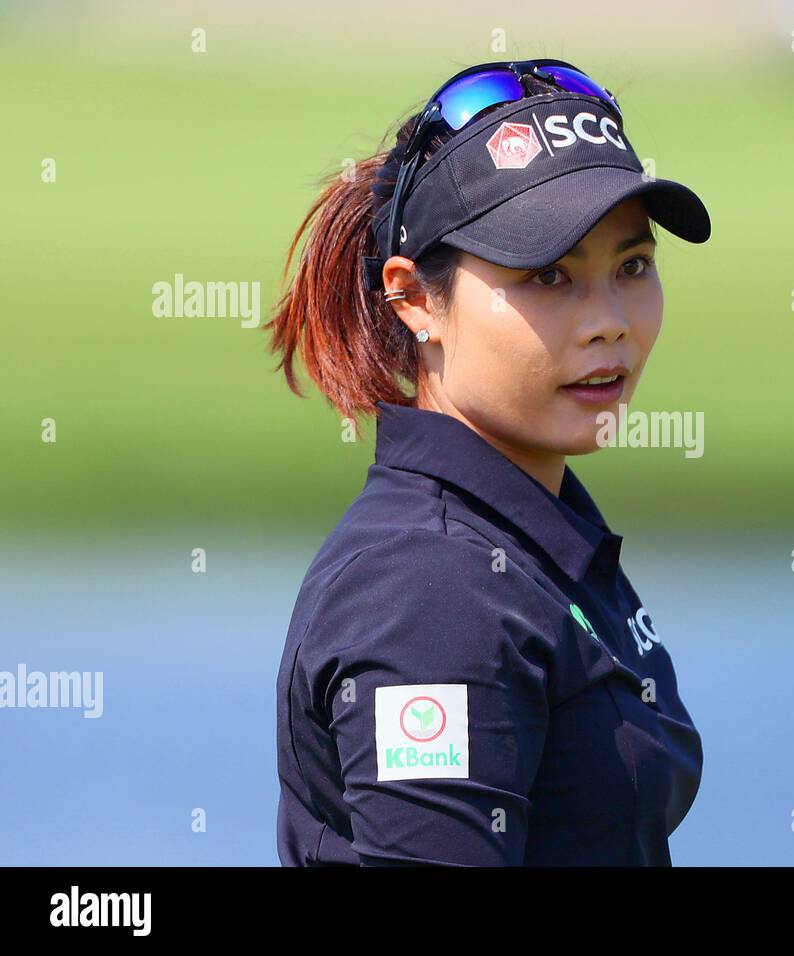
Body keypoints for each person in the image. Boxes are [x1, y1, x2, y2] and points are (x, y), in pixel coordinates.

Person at [267, 60, 712, 865]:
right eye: (549, 276)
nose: (609, 321)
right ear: (412, 297)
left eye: (632, 267)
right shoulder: (430, 593)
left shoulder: (532, 528)